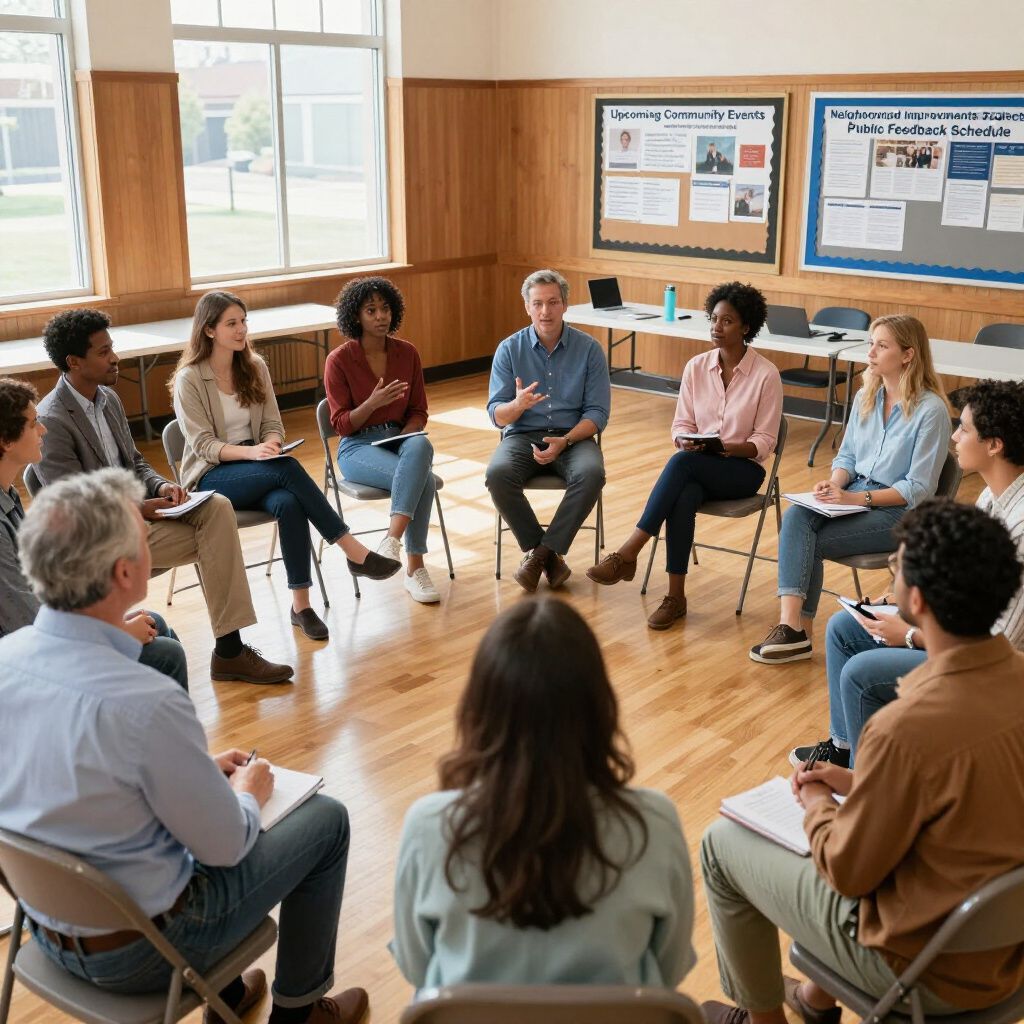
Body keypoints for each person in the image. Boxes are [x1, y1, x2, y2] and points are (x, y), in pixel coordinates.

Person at [0, 468, 369, 1024]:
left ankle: (225, 996)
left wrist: (193, 770)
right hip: (148, 950)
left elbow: (81, 786)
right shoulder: (144, 700)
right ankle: (297, 1014)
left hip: (45, 931)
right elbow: (225, 846)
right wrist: (245, 792)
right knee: (328, 820)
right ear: (126, 572)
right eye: (143, 539)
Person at [701, 499, 1024, 1024]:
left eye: (895, 570)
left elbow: (847, 870)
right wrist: (856, 781)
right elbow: (961, 800)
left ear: (914, 600)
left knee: (721, 845)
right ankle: (813, 1001)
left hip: (921, 967)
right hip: (1005, 959)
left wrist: (816, 800)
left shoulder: (906, 728)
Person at [392, 597, 695, 989]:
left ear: (479, 709)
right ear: (598, 707)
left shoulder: (430, 826)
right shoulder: (654, 823)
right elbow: (668, 970)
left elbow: (416, 968)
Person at [36, 309, 292, 685]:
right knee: (217, 535)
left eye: (113, 348)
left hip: (138, 521)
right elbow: (73, 504)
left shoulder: (108, 399)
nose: (115, 358)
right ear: (74, 362)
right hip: (102, 541)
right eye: (104, 352)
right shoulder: (53, 419)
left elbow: (136, 463)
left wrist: (160, 487)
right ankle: (230, 652)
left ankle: (230, 650)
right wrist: (139, 508)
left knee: (217, 505)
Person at [790, 378, 1024, 770]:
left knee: (862, 673)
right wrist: (896, 605)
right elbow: (961, 587)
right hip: (964, 638)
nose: (954, 436)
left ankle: (868, 786)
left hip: (994, 670)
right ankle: (845, 747)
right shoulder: (991, 497)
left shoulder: (1019, 523)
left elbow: (1002, 642)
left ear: (994, 444)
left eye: (964, 428)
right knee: (843, 629)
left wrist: (913, 635)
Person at [172, 290, 401, 642]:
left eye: (243, 321)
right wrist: (254, 454)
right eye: (231, 323)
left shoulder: (254, 366)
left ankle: (301, 606)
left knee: (290, 501)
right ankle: (352, 550)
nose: (241, 329)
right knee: (288, 469)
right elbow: (203, 445)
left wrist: (273, 444)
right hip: (211, 476)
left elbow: (272, 424)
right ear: (209, 330)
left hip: (259, 467)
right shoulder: (190, 378)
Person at [750, 314, 951, 665]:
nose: (870, 352)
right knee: (798, 515)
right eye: (871, 343)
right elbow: (847, 456)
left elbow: (918, 489)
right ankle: (792, 627)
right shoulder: (865, 395)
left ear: (908, 355)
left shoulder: (930, 410)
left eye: (881, 345)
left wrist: (856, 498)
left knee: (805, 540)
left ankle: (797, 632)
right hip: (856, 494)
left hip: (900, 514)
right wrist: (836, 483)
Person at [587, 282, 782, 630]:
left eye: (727, 321)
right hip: (698, 465)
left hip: (742, 470)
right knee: (684, 493)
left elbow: (765, 441)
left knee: (681, 465)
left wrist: (725, 447)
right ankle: (675, 597)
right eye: (714, 319)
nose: (716, 327)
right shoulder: (696, 367)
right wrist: (686, 440)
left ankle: (629, 552)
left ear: (746, 327)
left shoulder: (766, 375)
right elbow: (680, 425)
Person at [0, 378, 188, 689]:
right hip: (28, 665)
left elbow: (42, 597)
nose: (43, 430)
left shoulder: (8, 495)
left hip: (45, 637)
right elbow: (27, 625)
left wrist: (107, 624)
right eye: (34, 424)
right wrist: (116, 635)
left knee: (158, 625)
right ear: (6, 440)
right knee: (166, 654)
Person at [485, 269, 610, 593]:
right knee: (498, 474)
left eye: (553, 302)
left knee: (592, 473)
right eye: (537, 303)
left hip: (574, 436)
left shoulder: (590, 349)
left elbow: (598, 413)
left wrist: (566, 440)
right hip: (522, 435)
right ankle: (549, 557)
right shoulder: (509, 350)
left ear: (565, 305)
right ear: (527, 306)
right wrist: (517, 406)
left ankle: (539, 555)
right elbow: (496, 416)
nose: (545, 311)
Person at [325, 277, 441, 604]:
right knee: (425, 481)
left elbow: (418, 410)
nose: (380, 316)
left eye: (385, 308)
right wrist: (371, 404)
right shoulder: (339, 360)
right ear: (356, 316)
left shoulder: (407, 354)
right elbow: (341, 424)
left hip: (400, 440)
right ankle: (414, 566)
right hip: (357, 447)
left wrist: (405, 436)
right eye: (371, 310)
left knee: (421, 445)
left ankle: (392, 541)